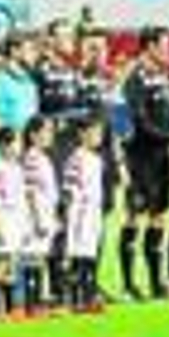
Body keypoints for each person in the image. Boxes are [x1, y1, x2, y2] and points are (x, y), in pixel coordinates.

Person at [121, 31, 169, 299]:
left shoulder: (163, 78)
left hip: (162, 160)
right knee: (134, 217)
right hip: (140, 159)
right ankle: (129, 284)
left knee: (158, 217)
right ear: (150, 47)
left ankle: (156, 284)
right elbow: (140, 122)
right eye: (165, 46)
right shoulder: (135, 79)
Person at [61, 118, 106, 313]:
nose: (98, 137)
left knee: (90, 256)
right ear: (82, 134)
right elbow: (69, 189)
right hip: (80, 213)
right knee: (78, 255)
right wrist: (71, 213)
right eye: (94, 132)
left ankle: (88, 297)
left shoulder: (96, 159)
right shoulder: (76, 158)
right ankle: (74, 298)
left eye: (100, 133)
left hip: (94, 213)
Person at [20, 117, 58, 314]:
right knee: (32, 260)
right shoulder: (32, 159)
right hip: (35, 218)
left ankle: (35, 302)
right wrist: (37, 219)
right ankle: (31, 304)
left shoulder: (42, 157)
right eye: (46, 131)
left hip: (45, 215)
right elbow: (30, 192)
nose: (50, 135)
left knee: (38, 260)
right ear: (33, 135)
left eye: (51, 130)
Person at [0, 127, 24, 318]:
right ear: (4, 146)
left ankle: (9, 308)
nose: (19, 146)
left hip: (14, 221)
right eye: (16, 142)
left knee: (10, 265)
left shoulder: (16, 168)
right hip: (3, 220)